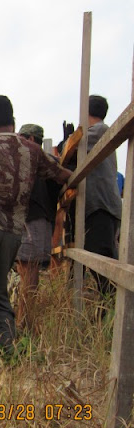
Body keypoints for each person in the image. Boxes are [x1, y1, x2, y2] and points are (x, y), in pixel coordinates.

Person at [0, 95, 71, 362]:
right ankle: (8, 348)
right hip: (12, 233)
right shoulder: (31, 149)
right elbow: (62, 174)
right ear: (12, 120)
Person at [15, 124, 61, 331]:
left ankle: (25, 321)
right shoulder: (44, 161)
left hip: (34, 219)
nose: (20, 141)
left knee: (29, 270)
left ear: (32, 139)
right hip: (31, 220)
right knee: (25, 269)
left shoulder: (42, 160)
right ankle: (24, 318)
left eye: (23, 137)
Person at [82, 95, 123, 297]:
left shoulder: (98, 130)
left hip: (101, 206)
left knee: (102, 262)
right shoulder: (100, 131)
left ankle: (112, 305)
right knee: (102, 259)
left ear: (85, 111)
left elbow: (72, 149)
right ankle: (108, 306)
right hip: (105, 205)